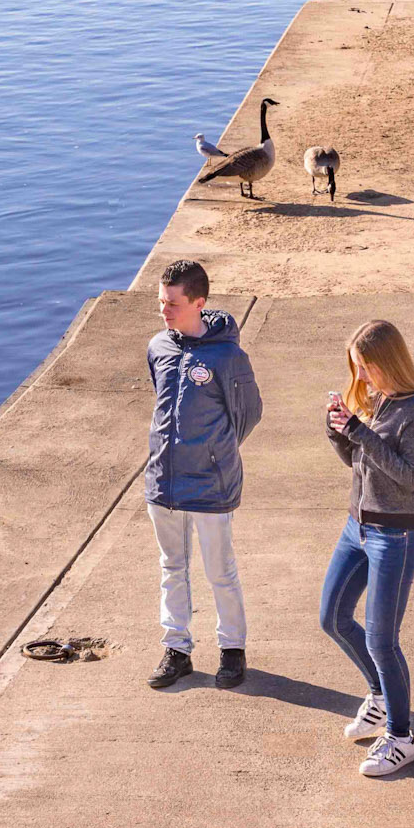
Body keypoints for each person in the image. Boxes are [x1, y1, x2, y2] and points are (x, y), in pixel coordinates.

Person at [319, 321, 414, 780]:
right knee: (332, 617)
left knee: (381, 640)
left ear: (387, 362)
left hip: (397, 536)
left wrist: (361, 432)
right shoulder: (378, 400)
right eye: (357, 368)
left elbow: (410, 478)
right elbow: (360, 463)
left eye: (366, 366)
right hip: (358, 528)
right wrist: (339, 433)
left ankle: (402, 738)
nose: (362, 376)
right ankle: (378, 694)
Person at [144, 259, 262, 691]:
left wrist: (215, 452)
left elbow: (248, 414)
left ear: (199, 302)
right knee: (172, 567)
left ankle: (232, 649)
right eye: (161, 301)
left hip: (211, 483)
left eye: (172, 303)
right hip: (163, 481)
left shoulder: (227, 355)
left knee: (220, 570)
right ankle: (177, 649)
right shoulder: (159, 346)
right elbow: (162, 400)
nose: (164, 310)